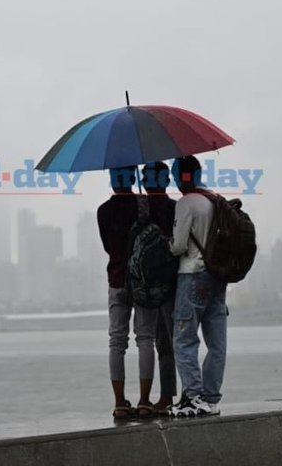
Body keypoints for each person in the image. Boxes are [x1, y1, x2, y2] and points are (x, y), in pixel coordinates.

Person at [96, 166, 159, 420]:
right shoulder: (145, 205)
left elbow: (108, 246)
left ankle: (120, 403)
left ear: (112, 179)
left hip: (117, 280)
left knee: (117, 341)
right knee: (145, 339)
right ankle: (144, 401)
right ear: (133, 177)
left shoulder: (103, 211)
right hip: (143, 281)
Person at [169, 155, 227, 417]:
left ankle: (193, 396)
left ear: (184, 176)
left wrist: (168, 244)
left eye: (175, 175)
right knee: (217, 342)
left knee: (184, 339)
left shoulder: (186, 203)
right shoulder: (214, 201)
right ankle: (211, 398)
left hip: (192, 275)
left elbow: (179, 245)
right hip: (217, 278)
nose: (174, 180)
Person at [142, 161, 179, 412]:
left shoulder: (144, 210)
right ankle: (170, 396)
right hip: (166, 282)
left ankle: (167, 396)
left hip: (158, 284)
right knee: (168, 343)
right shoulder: (145, 210)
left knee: (165, 343)